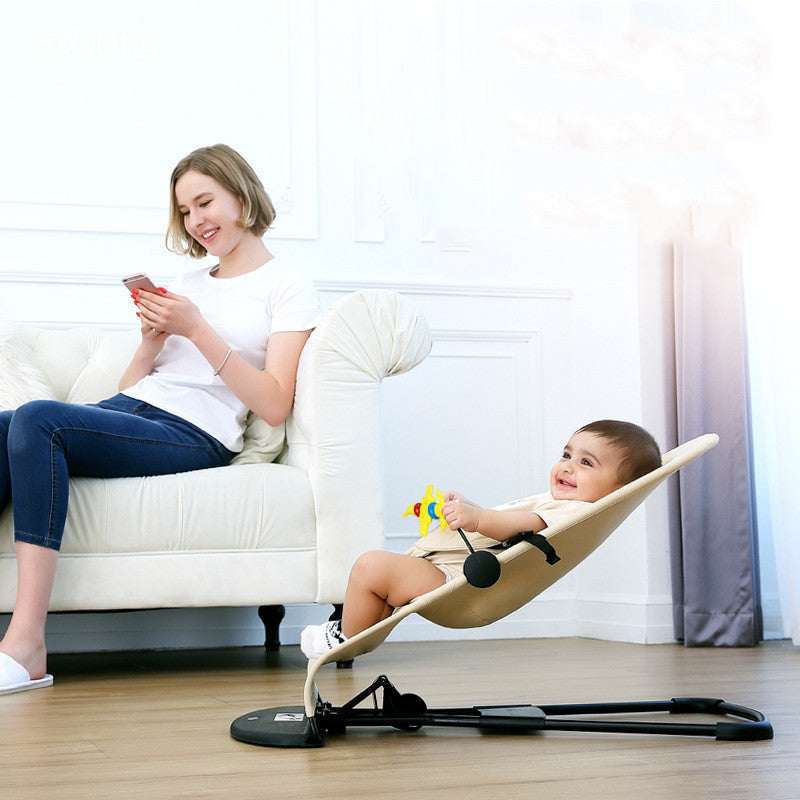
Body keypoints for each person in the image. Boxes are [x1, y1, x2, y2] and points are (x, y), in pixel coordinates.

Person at [0, 144, 321, 695]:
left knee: (37, 420)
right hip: (137, 411)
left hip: (195, 435)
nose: (197, 222)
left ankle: (26, 643)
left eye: (205, 203)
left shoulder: (287, 286)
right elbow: (131, 392)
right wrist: (152, 342)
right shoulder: (189, 286)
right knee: (6, 425)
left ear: (241, 195)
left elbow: (273, 404)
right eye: (186, 212)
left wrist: (198, 330)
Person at [300, 419, 661, 659]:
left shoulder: (576, 512)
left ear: (620, 489)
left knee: (371, 566)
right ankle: (354, 632)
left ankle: (345, 637)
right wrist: (470, 510)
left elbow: (519, 526)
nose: (567, 466)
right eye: (566, 454)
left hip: (459, 584)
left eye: (586, 463)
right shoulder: (562, 501)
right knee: (381, 579)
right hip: (452, 571)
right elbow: (509, 524)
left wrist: (477, 517)